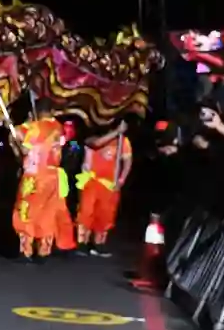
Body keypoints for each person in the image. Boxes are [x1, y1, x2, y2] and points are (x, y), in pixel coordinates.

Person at [9, 104, 74, 261]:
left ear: (34, 112)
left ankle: (26, 251)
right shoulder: (58, 127)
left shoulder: (35, 128)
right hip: (53, 177)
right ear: (51, 111)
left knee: (26, 212)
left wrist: (14, 138)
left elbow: (24, 150)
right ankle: (43, 251)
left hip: (35, 176)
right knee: (47, 213)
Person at [75, 121, 132, 255]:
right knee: (86, 212)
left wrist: (121, 179)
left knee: (105, 215)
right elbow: (96, 143)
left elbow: (127, 161)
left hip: (109, 184)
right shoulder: (91, 137)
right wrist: (116, 132)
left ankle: (99, 244)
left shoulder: (123, 141)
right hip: (90, 181)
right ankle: (82, 243)